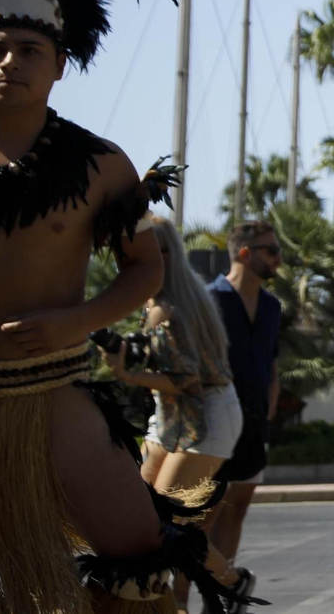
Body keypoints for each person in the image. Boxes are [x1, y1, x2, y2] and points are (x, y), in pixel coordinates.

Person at [0, 0, 242, 613]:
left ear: (61, 62)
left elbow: (146, 267)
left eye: (29, 50)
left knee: (139, 553)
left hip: (51, 394)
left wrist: (76, 323)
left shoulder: (101, 167)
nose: (9, 62)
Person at [104, 215, 252, 611]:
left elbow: (188, 382)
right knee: (140, 517)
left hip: (205, 417)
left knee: (163, 527)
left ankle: (232, 582)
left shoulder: (167, 308)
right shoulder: (180, 297)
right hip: (174, 415)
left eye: (154, 250)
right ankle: (158, 601)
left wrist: (126, 373)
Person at [203, 218, 282, 612]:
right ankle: (180, 601)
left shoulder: (271, 306)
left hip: (254, 426)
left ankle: (224, 595)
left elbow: (272, 362)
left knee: (236, 510)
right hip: (213, 424)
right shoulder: (209, 300)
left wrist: (269, 409)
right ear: (246, 254)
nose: (278, 258)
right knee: (201, 516)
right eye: (272, 250)